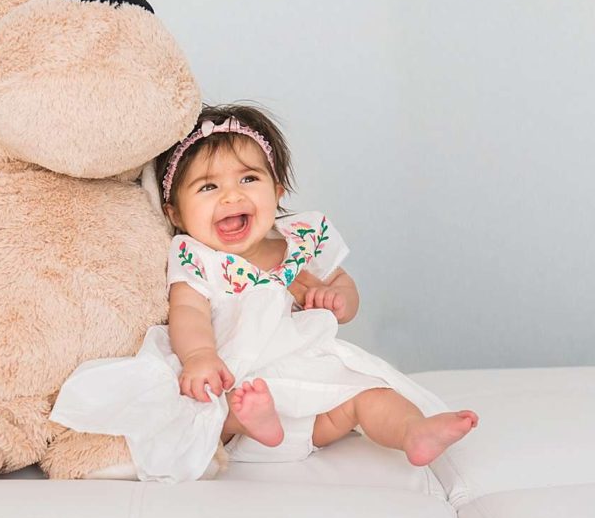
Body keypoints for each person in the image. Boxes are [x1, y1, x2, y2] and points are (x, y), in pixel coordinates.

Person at [50, 104, 478, 482]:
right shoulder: (198, 258)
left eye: (249, 178)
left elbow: (342, 285)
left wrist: (339, 299)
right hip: (234, 375)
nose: (231, 194)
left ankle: (413, 433)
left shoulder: (298, 240)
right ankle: (250, 421)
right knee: (202, 411)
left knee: (367, 394)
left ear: (277, 192)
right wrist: (200, 357)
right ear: (175, 212)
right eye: (208, 187)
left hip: (306, 385)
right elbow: (188, 312)